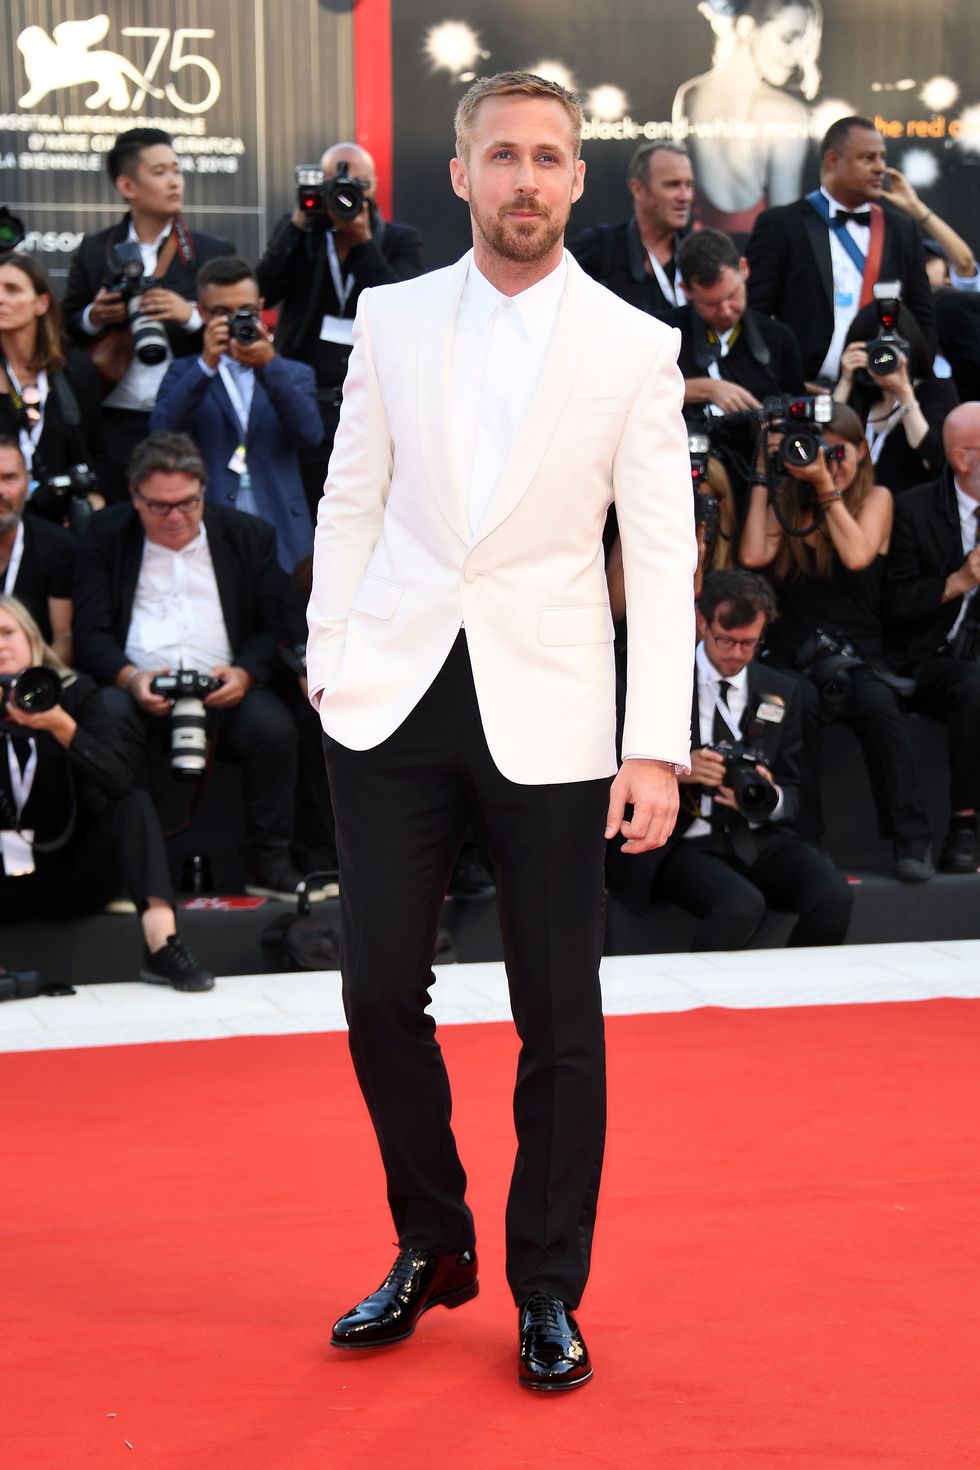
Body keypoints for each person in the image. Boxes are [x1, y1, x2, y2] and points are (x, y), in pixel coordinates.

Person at [307, 71, 696, 1390]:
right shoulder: (392, 317)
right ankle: (433, 1244)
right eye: (502, 155)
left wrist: (653, 743)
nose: (525, 178)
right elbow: (351, 499)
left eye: (547, 157)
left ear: (577, 178)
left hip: (557, 709)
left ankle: (546, 1287)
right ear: (460, 173)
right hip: (393, 697)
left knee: (559, 1016)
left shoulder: (634, 345)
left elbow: (662, 555)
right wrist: (327, 660)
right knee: (376, 994)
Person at [72, 431, 312, 903]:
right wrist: (130, 678)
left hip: (225, 686)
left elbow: (274, 628)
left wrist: (244, 673)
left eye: (187, 503)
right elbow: (90, 633)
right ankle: (127, 873)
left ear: (203, 490)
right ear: (134, 496)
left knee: (273, 727)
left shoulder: (248, 535)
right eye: (160, 507)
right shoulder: (107, 535)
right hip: (137, 687)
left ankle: (267, 863)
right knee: (108, 715)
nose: (176, 517)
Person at [739, 401, 938, 879]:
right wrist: (767, 473)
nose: (826, 461)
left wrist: (823, 484)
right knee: (797, 702)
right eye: (816, 449)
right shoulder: (789, 501)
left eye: (838, 452)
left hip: (856, 656)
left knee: (878, 705)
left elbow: (856, 555)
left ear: (862, 451)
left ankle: (912, 840)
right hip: (792, 655)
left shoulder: (876, 499)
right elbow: (752, 554)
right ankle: (808, 841)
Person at [609, 570, 852, 947]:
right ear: (702, 622)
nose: (736, 654)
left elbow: (795, 792)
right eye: (726, 640)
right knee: (740, 907)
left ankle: (797, 985)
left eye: (749, 643)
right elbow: (611, 766)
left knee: (833, 896)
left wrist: (768, 795)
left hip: (755, 834)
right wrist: (674, 768)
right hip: (681, 838)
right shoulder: (658, 680)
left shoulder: (782, 690)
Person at [0, 594, 213, 991]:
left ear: (31, 637)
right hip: (5, 882)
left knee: (132, 802)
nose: (0, 645)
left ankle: (162, 944)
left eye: (7, 632)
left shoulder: (75, 693)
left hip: (71, 874)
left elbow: (118, 779)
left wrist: (61, 726)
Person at [61, 128, 234, 500]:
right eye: (160, 172)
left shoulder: (211, 251)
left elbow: (238, 327)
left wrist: (189, 314)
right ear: (127, 185)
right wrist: (95, 316)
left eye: (177, 170)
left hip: (191, 416)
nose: (174, 182)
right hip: (114, 418)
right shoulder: (95, 250)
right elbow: (64, 327)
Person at [256, 142, 423, 514]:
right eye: (334, 184)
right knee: (306, 512)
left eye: (357, 185)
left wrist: (362, 243)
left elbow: (404, 307)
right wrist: (298, 227)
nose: (345, 195)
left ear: (373, 187)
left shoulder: (399, 240)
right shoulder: (300, 233)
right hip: (305, 401)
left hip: (373, 404)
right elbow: (262, 292)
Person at [150, 257, 318, 574]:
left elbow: (309, 435)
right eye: (222, 313)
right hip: (210, 519)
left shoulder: (293, 374)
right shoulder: (184, 372)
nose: (235, 321)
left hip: (281, 521)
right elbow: (161, 435)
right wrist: (206, 366)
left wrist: (270, 367)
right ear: (201, 313)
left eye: (246, 311)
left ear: (261, 308)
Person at [747, 116, 937, 384]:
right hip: (807, 389)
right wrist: (783, 381)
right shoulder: (780, 225)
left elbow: (923, 318)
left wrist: (912, 377)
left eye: (883, 158)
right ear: (832, 160)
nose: (880, 168)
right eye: (868, 158)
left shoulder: (902, 230)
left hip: (884, 391)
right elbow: (755, 316)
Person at [882, 401, 980, 874]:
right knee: (974, 686)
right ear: (961, 459)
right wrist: (957, 582)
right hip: (928, 659)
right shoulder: (914, 508)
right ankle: (964, 825)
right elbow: (894, 607)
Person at [672, 0, 823, 236]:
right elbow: (784, 230)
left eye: (802, 43)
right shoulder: (787, 112)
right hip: (757, 256)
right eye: (788, 38)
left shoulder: (688, 95)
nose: (796, 56)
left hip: (696, 255)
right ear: (746, 28)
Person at [0, 250, 107, 517]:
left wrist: (95, 499)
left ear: (42, 303)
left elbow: (96, 449)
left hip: (60, 523)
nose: (0, 298)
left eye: (12, 289)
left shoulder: (74, 369)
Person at [675, 227, 805, 416]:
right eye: (711, 303)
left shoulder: (778, 338)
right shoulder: (664, 333)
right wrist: (705, 389)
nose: (725, 311)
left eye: (732, 295)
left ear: (744, 268)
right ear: (686, 290)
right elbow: (636, 392)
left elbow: (798, 414)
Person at [833, 300, 958, 494]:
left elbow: (935, 459)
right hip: (850, 502)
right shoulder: (859, 395)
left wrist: (905, 394)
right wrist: (845, 381)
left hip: (907, 507)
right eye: (875, 350)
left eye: (893, 349)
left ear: (911, 347)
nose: (884, 358)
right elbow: (824, 440)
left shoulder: (935, 391)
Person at [569, 142, 694, 322]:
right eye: (672, 185)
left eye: (689, 185)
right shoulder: (597, 249)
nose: (685, 196)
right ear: (638, 189)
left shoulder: (700, 257)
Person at [0, 438, 76, 663]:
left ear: (27, 484)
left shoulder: (58, 546)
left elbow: (65, 637)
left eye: (9, 478)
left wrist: (31, 678)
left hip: (34, 672)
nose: (0, 490)